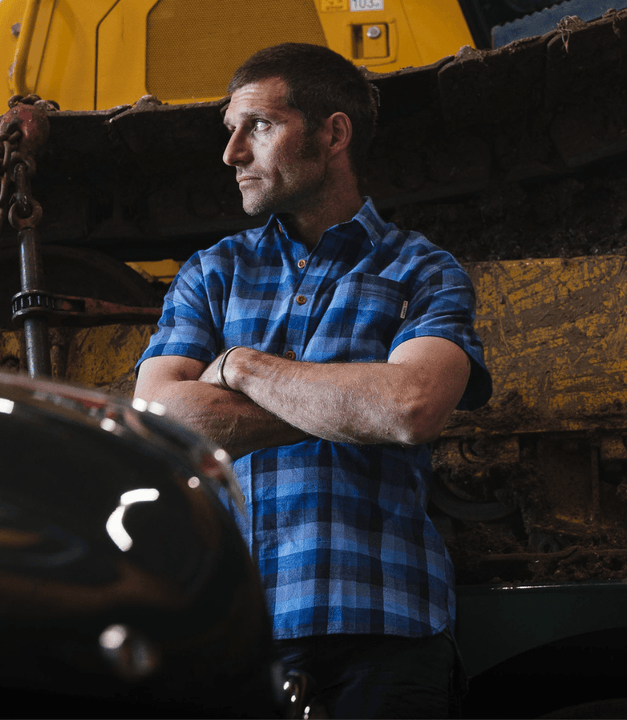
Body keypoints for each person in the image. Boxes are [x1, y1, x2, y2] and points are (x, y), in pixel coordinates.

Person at [134, 43, 492, 719]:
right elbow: (159, 417)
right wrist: (359, 405)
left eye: (259, 126)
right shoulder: (212, 273)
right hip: (237, 634)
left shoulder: (422, 270)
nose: (232, 153)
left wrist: (240, 367)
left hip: (389, 627)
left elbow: (412, 407)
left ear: (333, 133)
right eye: (229, 131)